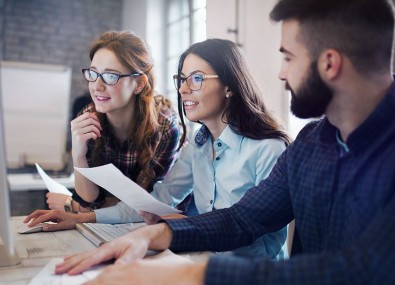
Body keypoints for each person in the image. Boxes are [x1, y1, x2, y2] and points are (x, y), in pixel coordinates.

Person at [47, 0, 395, 284]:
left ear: (330, 63)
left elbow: (368, 268)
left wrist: (192, 272)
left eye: (288, 57)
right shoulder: (310, 144)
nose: (281, 72)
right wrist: (152, 236)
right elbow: (242, 219)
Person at [26, 39, 290, 259]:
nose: (184, 89)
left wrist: (166, 233)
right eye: (182, 79)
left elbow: (249, 227)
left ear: (230, 85)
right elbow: (154, 202)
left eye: (196, 78)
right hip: (203, 264)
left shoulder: (268, 149)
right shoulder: (198, 146)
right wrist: (82, 218)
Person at [45, 30, 182, 213]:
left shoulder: (165, 127)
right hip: (112, 226)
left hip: (165, 226)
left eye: (111, 76)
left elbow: (146, 207)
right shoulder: (88, 117)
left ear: (139, 84)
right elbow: (90, 201)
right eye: (93, 74)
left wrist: (72, 205)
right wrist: (78, 154)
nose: (97, 87)